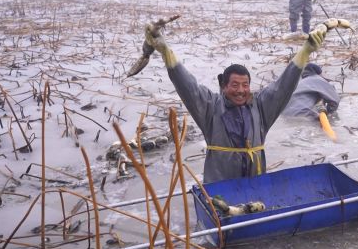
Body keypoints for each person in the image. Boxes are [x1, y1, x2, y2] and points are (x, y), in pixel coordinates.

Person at [143, 21, 344, 183]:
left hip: (255, 189)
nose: (240, 91)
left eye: (245, 85)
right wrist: (166, 51)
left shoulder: (261, 107)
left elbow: (284, 85)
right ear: (223, 86)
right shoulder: (210, 107)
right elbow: (188, 86)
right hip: (220, 189)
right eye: (235, 85)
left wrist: (305, 52)